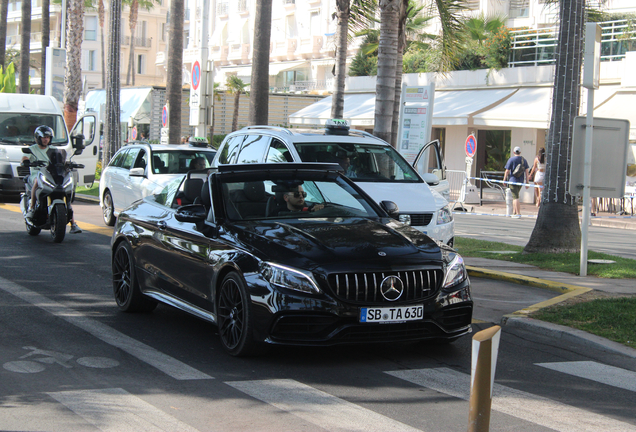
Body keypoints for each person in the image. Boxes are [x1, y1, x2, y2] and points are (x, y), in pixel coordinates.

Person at [22, 126, 82, 233]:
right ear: (38, 138)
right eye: (44, 137)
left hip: (51, 174)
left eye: (48, 137)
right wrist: (27, 161)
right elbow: (25, 157)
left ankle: (73, 223)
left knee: (64, 192)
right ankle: (31, 208)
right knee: (36, 181)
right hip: (37, 173)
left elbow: (62, 160)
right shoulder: (32, 149)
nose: (46, 139)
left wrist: (69, 163)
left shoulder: (53, 150)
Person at [503, 146, 529, 218]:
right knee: (516, 195)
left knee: (515, 197)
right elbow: (527, 172)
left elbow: (507, 171)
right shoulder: (524, 160)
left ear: (514, 152)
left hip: (512, 181)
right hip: (520, 181)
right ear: (520, 152)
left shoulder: (511, 160)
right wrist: (527, 182)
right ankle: (514, 212)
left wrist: (504, 180)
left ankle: (518, 213)